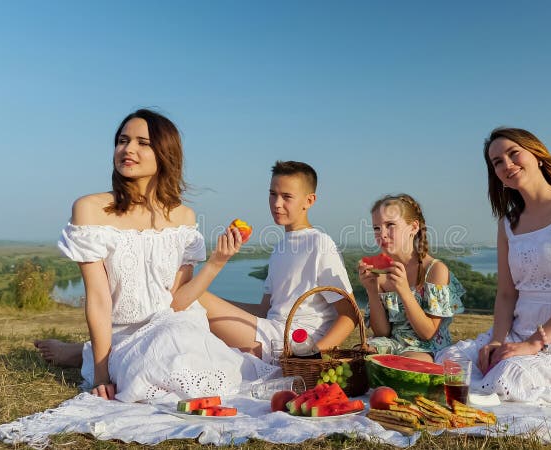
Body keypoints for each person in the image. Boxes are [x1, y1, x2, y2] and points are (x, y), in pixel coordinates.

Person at [37, 109, 275, 402]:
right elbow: (98, 299)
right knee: (157, 373)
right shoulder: (90, 209)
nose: (128, 149)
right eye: (123, 141)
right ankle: (88, 354)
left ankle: (77, 352)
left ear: (165, 153)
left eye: (142, 143)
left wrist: (216, 263)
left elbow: (177, 303)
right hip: (127, 337)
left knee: (202, 368)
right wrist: (101, 375)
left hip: (177, 327)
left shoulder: (183, 217)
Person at [436, 127, 551, 405]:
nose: (507, 165)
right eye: (497, 162)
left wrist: (534, 344)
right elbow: (506, 294)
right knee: (450, 361)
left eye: (513, 153)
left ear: (537, 155)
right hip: (518, 331)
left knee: (509, 375)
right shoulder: (508, 224)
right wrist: (497, 340)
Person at [194, 161, 358, 364]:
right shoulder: (280, 247)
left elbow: (350, 315)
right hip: (271, 336)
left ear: (309, 200)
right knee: (195, 301)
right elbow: (264, 311)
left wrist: (311, 354)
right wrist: (217, 303)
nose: (277, 203)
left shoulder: (319, 243)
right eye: (273, 194)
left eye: (287, 197)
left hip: (295, 344)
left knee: (193, 296)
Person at [358, 194, 465, 362]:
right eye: (376, 228)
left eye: (390, 225)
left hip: (427, 349)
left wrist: (404, 290)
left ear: (414, 227)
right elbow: (382, 333)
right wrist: (372, 290)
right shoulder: (380, 272)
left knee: (407, 363)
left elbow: (428, 333)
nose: (382, 234)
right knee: (357, 355)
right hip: (393, 345)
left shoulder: (435, 270)